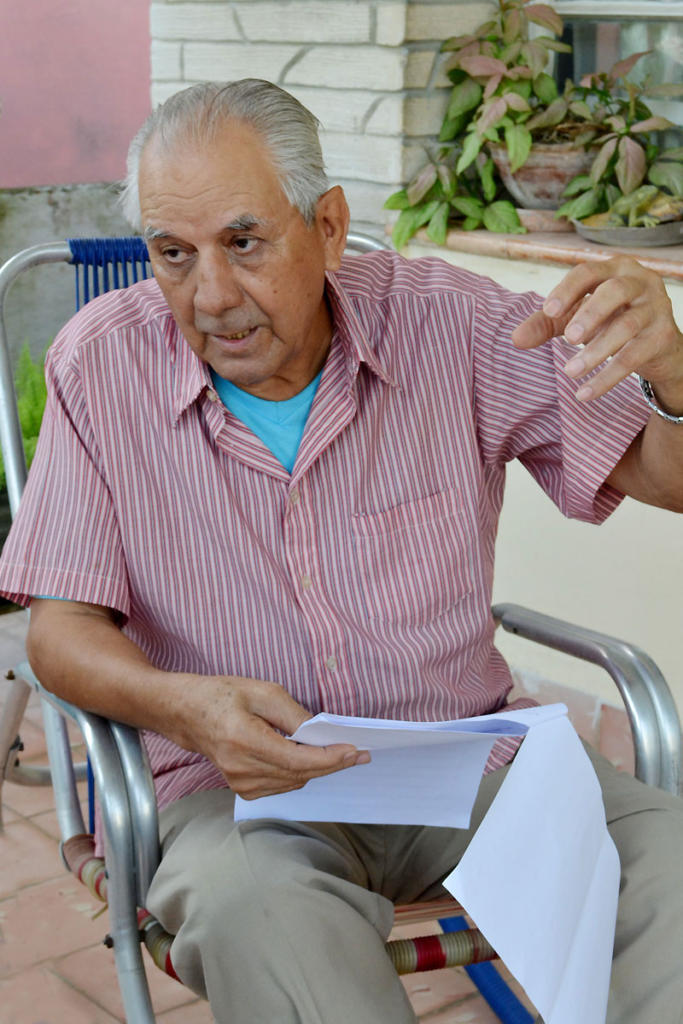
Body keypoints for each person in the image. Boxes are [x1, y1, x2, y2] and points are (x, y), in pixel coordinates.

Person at [0, 79, 682, 1024]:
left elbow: (667, 477)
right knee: (262, 919)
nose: (208, 295)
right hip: (232, 792)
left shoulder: (454, 325)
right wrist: (186, 708)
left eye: (243, 243)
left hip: (469, 761)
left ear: (327, 226)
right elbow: (58, 632)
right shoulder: (98, 364)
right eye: (171, 254)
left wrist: (674, 378)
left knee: (671, 875)